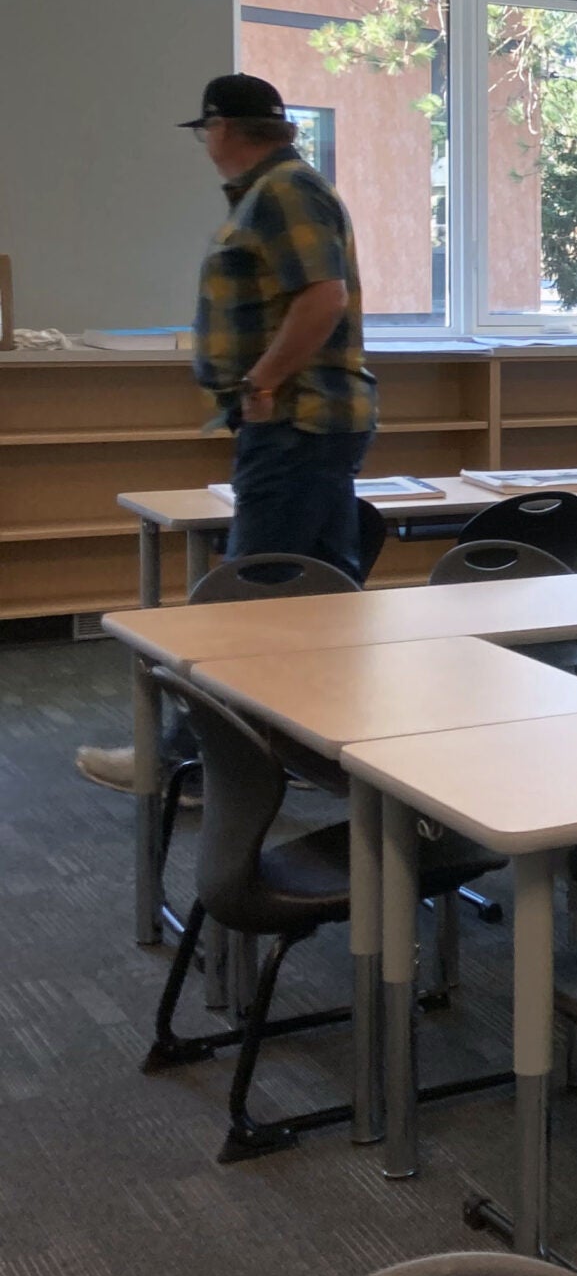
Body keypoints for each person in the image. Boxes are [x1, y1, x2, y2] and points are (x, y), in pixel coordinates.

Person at [76, 74, 377, 792]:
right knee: (324, 598)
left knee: (240, 604)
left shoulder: (282, 193)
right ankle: (317, 747)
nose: (205, 144)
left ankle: (184, 761)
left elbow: (323, 297)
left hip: (296, 424)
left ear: (224, 129)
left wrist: (264, 381)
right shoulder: (277, 192)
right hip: (310, 427)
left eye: (205, 130)